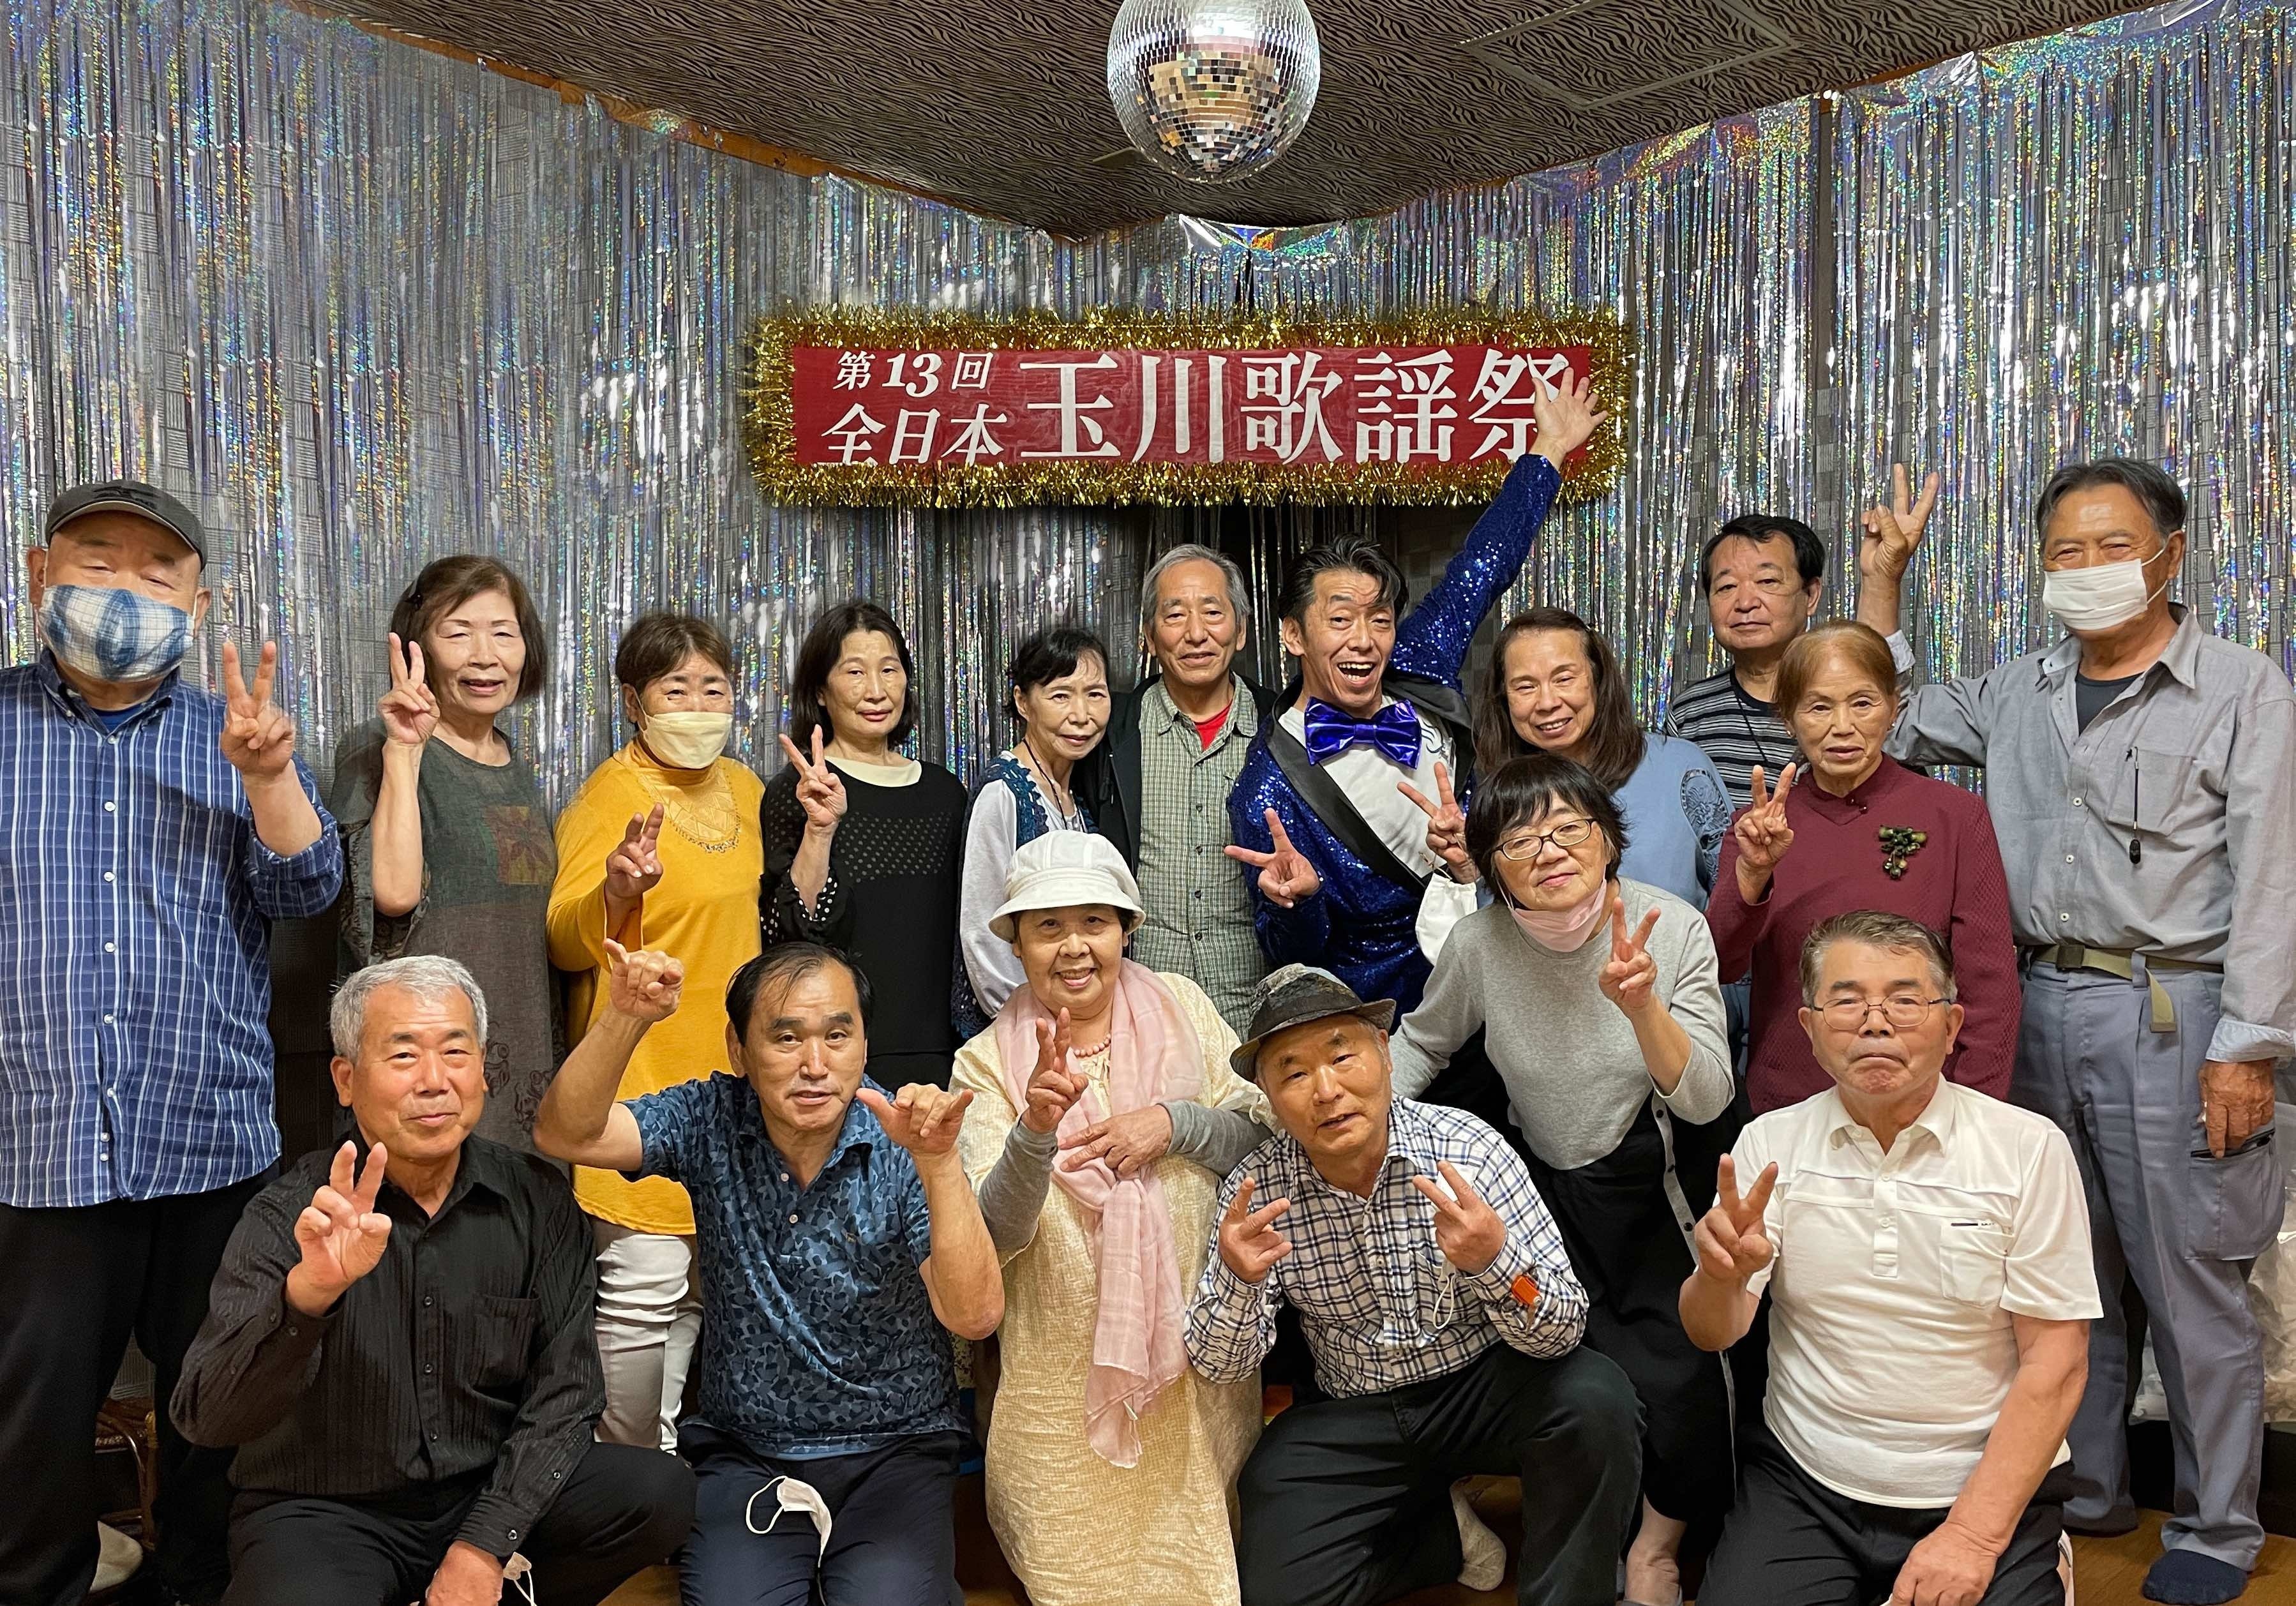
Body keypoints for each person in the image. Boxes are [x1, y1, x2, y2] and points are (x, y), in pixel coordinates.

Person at [1859, 457, 2296, 1604]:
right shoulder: (2021, 687)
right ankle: (2087, 1489)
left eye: (2112, 546)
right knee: (2064, 1271)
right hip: (2035, 1006)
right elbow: (1886, 716)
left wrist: (2248, 1047)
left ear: (2169, 553)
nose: (2088, 568)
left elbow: (2273, 879)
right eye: (2065, 551)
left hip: (2175, 1010)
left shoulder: (2241, 689)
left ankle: (2216, 1528)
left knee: (2191, 1280)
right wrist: (1883, 579)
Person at [0, 479, 345, 1606]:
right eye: (97, 561)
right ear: (41, 574)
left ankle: (203, 1590)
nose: (126, 590)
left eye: (158, 574)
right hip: (36, 1144)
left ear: (197, 606)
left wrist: (267, 777)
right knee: (31, 1437)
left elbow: (309, 890)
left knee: (219, 1421)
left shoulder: (233, 736)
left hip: (208, 1141)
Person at [172, 957, 695, 1606]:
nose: (434, 1081)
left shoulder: (536, 1199)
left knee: (655, 1491)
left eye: (455, 1051)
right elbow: (206, 1416)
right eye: (403, 1055)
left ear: (484, 1068)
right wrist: (308, 1296)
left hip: (483, 1490)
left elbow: (567, 1395)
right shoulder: (292, 1214)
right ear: (345, 1079)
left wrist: (483, 1544)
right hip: (328, 1510)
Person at [534, 940, 1002, 1606]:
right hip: (748, 1452)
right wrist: (625, 1017)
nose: (815, 1064)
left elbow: (975, 1315)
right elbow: (566, 1133)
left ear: (864, 1043)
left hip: (895, 1447)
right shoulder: (711, 1117)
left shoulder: (905, 1139)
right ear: (739, 1048)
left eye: (837, 1035)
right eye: (786, 1037)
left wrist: (940, 1163)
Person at [1390, 754, 1735, 1605]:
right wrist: (1353, 1114)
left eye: (1567, 828)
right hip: (1547, 1185)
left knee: (1684, 1374)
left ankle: (1657, 1547)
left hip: (1656, 1186)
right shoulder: (1479, 944)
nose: (1547, 850)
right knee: (1580, 1372)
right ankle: (1599, 1530)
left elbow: (1705, 1099)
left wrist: (1643, 1006)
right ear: (1490, 866)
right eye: (1518, 839)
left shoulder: (1669, 926)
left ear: (1607, 838)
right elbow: (1425, 1042)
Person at [1187, 963, 1642, 1606]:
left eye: (1342, 1055)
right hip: (1353, 1408)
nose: (1327, 1090)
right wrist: (1238, 1280)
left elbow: (1563, 1327)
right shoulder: (1256, 1191)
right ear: (1267, 1094)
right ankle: (1438, 1541)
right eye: (1293, 1073)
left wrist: (1495, 1262)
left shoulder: (1468, 1149)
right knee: (1276, 1573)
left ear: (1384, 1052)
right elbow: (1218, 1364)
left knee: (1596, 1400)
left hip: (1484, 1386)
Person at [1683, 912, 2098, 1606]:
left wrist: (1972, 1537)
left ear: (1952, 1023)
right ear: (1810, 1027)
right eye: (1846, 1001)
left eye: (1905, 1000)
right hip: (1806, 1479)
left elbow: (2057, 1364)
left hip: (1980, 1487)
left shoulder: (2027, 1149)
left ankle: (2039, 1549)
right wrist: (1719, 1279)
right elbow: (1711, 1332)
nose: (1875, 1024)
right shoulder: (1768, 1145)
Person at [1226, 373, 1605, 1026]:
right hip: (1381, 1018)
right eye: (1339, 620)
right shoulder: (1266, 785)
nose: (1364, 640)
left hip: (1499, 978)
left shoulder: (1415, 662)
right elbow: (1293, 955)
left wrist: (1548, 451)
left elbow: (1481, 569)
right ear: (1293, 635)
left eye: (1378, 619)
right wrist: (1298, 902)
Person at [952, 832, 1272, 1606]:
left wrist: (1174, 1122)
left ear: (1125, 928)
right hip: (1057, 1395)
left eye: (1094, 921)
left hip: (1194, 1376)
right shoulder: (984, 1061)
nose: (1074, 947)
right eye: (1048, 926)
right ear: (1017, 943)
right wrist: (1035, 1128)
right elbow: (991, 1237)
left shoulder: (1185, 1007)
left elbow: (1260, 1139)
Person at [547, 612, 763, 1452]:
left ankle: (667, 1481)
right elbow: (563, 941)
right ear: (635, 702)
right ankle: (634, 1477)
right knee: (645, 1292)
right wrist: (615, 893)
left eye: (714, 688)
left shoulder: (746, 789)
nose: (699, 706)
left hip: (732, 1089)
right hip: (639, 1084)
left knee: (705, 1291)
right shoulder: (611, 795)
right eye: (677, 689)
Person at [1707, 620, 2020, 1114]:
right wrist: (1752, 873)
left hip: (1926, 1099)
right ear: (1787, 718)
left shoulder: (1955, 815)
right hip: (1792, 1100)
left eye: (1862, 703)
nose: (1842, 726)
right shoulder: (1759, 827)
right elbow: (1720, 963)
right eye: (1818, 707)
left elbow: (1990, 983)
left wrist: (1976, 1110)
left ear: (1893, 709)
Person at [331, 555, 560, 1151]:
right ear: (420, 648)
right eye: (458, 633)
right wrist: (405, 754)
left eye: (503, 634)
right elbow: (391, 896)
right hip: (423, 1062)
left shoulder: (518, 764)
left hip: (523, 1047)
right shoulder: (378, 747)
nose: (485, 656)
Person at [1416, 606, 1729, 965]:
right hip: (1549, 995)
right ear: (1504, 699)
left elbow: (1736, 903)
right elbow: (1503, 940)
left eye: (1564, 679)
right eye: (1525, 686)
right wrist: (1471, 869)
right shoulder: (1503, 799)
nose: (1548, 703)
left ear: (1597, 679)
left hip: (1673, 992)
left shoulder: (1682, 770)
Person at [763, 599, 970, 1087]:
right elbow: (789, 934)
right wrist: (820, 830)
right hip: (838, 1058)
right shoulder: (799, 790)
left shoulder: (946, 792)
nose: (876, 691)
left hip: (946, 1052)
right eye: (855, 672)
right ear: (820, 689)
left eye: (889, 670)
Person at [1076, 544, 1278, 1033]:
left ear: (1241, 630)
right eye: (1174, 615)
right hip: (1141, 1013)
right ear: (1148, 636)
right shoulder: (1110, 732)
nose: (1195, 633)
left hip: (1258, 1009)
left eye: (1212, 612)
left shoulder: (1283, 729)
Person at [1662, 485, 1928, 809]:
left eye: (1767, 582)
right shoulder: (1690, 713)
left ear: (1811, 595)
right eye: (1726, 586)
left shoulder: (1861, 700)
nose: (1745, 602)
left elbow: (1907, 797)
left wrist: (1883, 581)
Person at [959, 624, 1112, 1021]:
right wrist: (1024, 1024)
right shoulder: (1003, 792)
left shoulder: (1075, 796)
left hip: (1072, 1022)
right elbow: (982, 932)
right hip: (1026, 1027)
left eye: (1095, 694)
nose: (1081, 715)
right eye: (1060, 696)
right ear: (1023, 702)